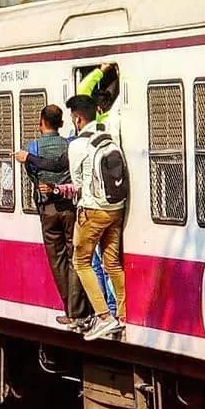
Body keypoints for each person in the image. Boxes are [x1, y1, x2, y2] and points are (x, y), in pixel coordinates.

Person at [15, 104, 90, 328]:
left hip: (47, 209)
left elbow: (32, 175)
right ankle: (78, 310)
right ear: (61, 123)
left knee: (58, 261)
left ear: (41, 123)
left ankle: (69, 309)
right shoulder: (70, 145)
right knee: (75, 257)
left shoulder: (33, 148)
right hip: (69, 207)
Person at [65, 94, 126, 340]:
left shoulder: (77, 144)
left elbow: (78, 183)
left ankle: (104, 317)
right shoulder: (108, 133)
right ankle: (122, 314)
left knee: (81, 262)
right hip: (116, 208)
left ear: (78, 119)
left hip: (92, 210)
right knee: (112, 262)